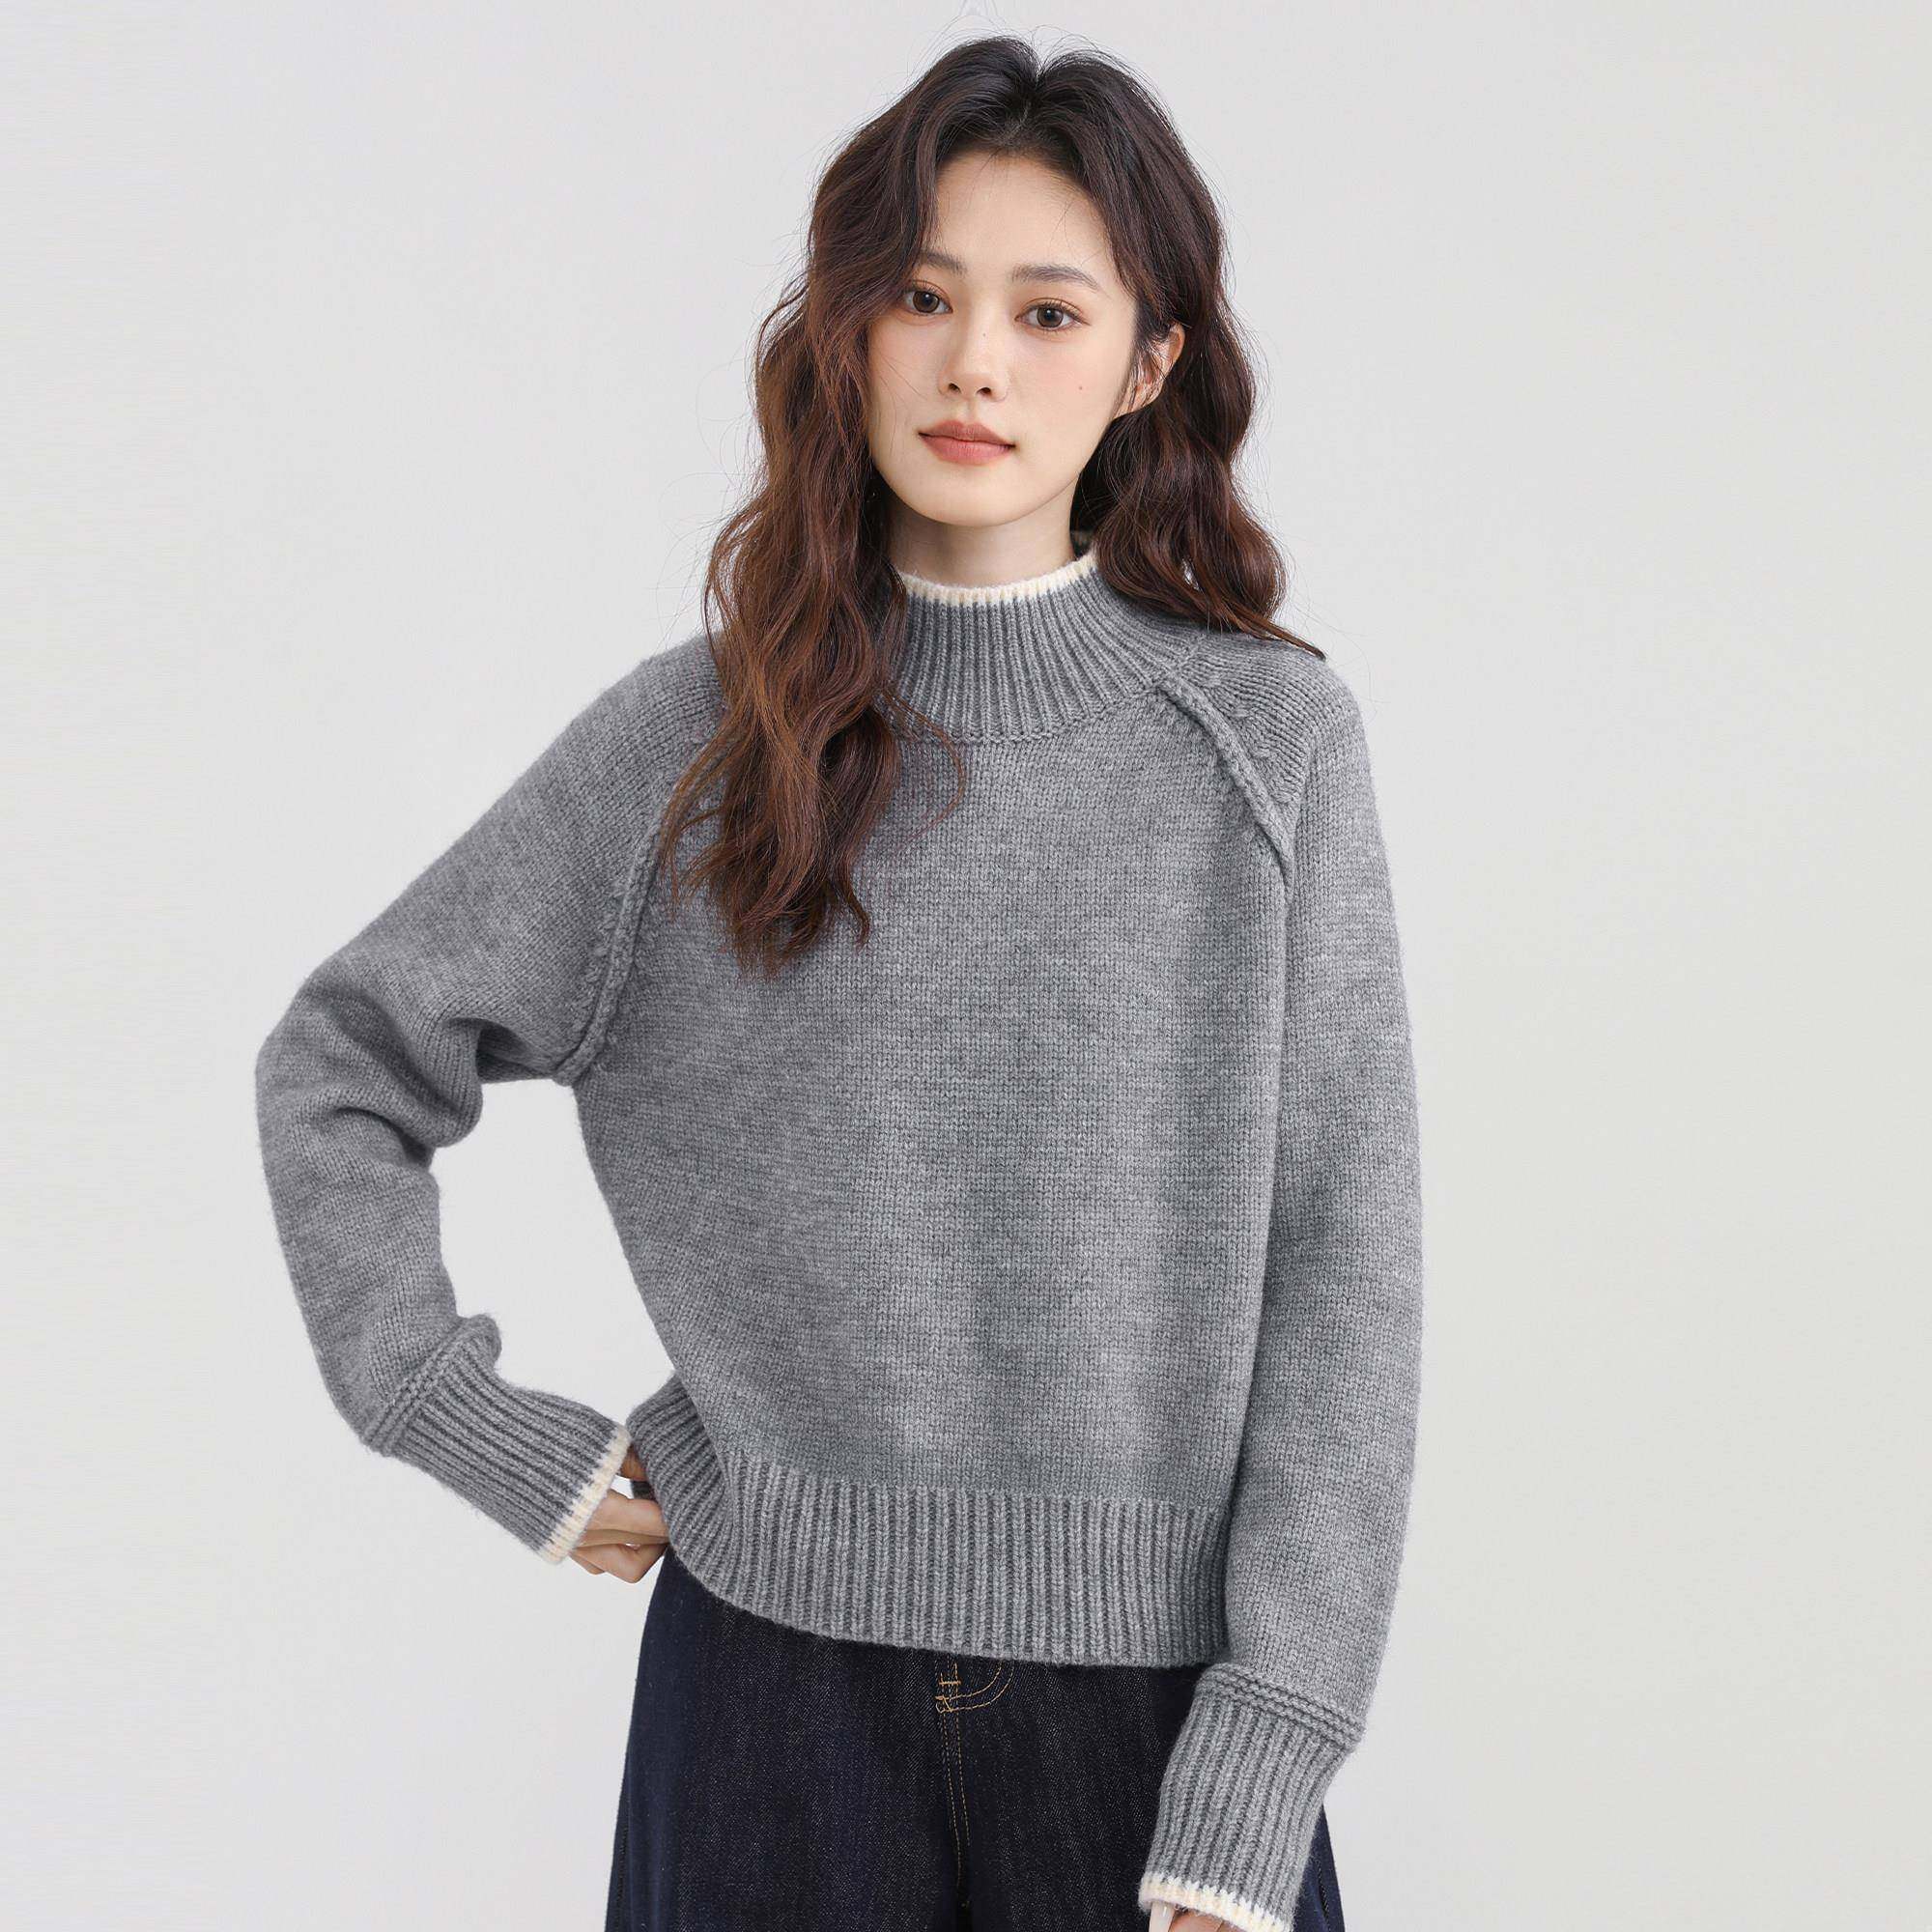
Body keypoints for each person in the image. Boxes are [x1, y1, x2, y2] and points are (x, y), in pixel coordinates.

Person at [253, 36, 1423, 1932]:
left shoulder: (1265, 747)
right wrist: (469, 1424)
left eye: (1049, 311)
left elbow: (1344, 1273)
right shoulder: (693, 746)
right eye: (921, 296)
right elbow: (343, 1062)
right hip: (767, 1707)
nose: (975, 363)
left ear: (1148, 365)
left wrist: (1265, 1750)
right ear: (846, 332)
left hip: (1157, 1731)